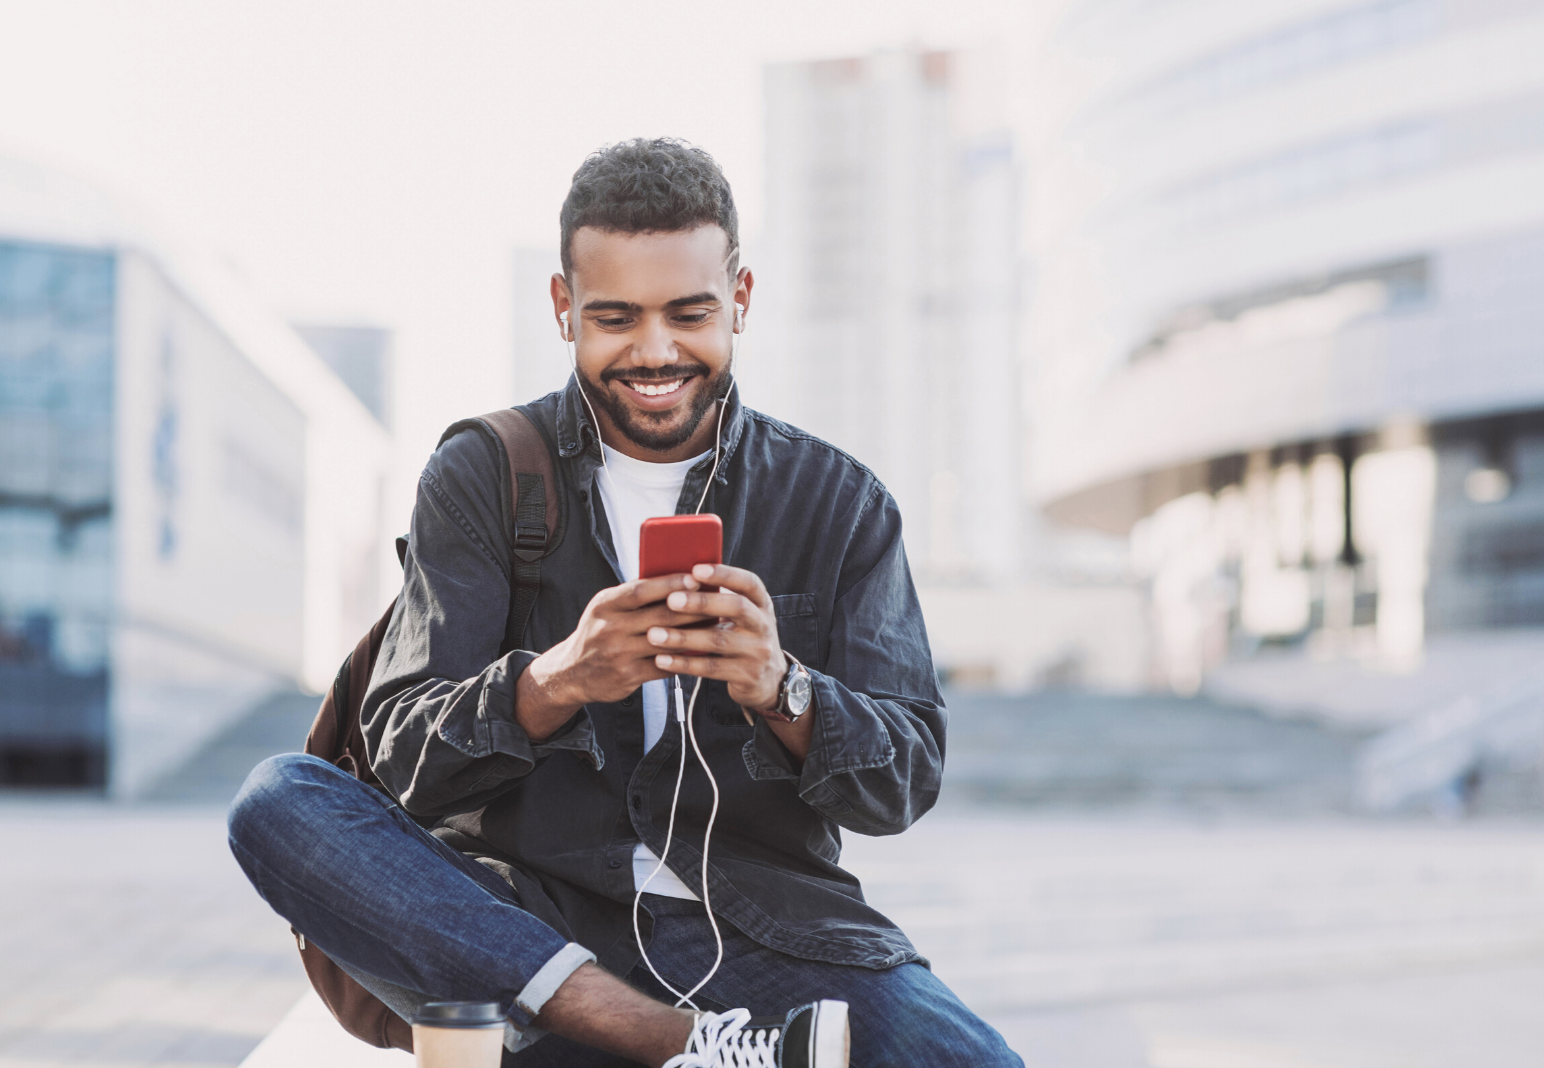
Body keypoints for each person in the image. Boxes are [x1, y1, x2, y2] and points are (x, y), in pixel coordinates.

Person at [229, 137, 1023, 1067]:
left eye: (689, 313)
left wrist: (781, 687)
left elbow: (905, 779)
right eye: (616, 317)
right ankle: (676, 1044)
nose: (655, 351)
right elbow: (400, 754)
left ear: (741, 300)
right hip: (528, 925)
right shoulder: (483, 473)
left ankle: (686, 1045)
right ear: (565, 310)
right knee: (277, 801)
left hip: (771, 932)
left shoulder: (837, 502)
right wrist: (558, 679)